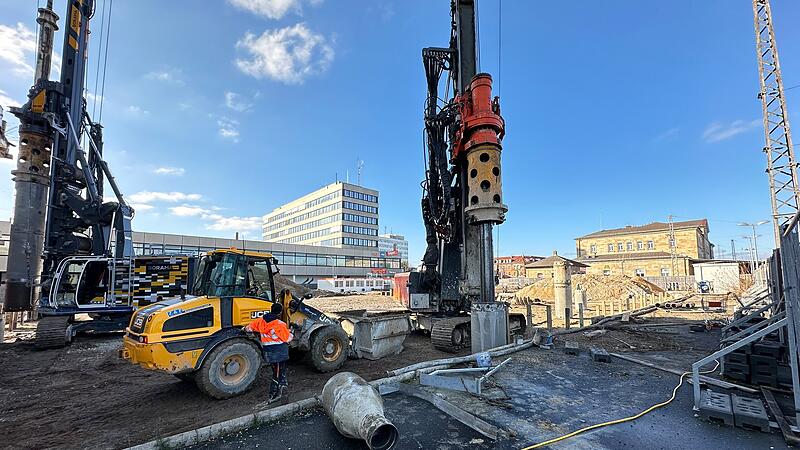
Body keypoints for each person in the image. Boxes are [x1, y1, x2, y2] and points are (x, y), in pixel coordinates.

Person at [245, 302, 293, 403]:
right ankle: (275, 394)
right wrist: (291, 333)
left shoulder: (260, 321)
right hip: (280, 352)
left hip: (268, 352)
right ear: (280, 313)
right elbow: (287, 339)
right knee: (279, 372)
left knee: (276, 371)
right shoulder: (280, 324)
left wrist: (243, 329)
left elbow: (249, 328)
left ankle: (280, 390)